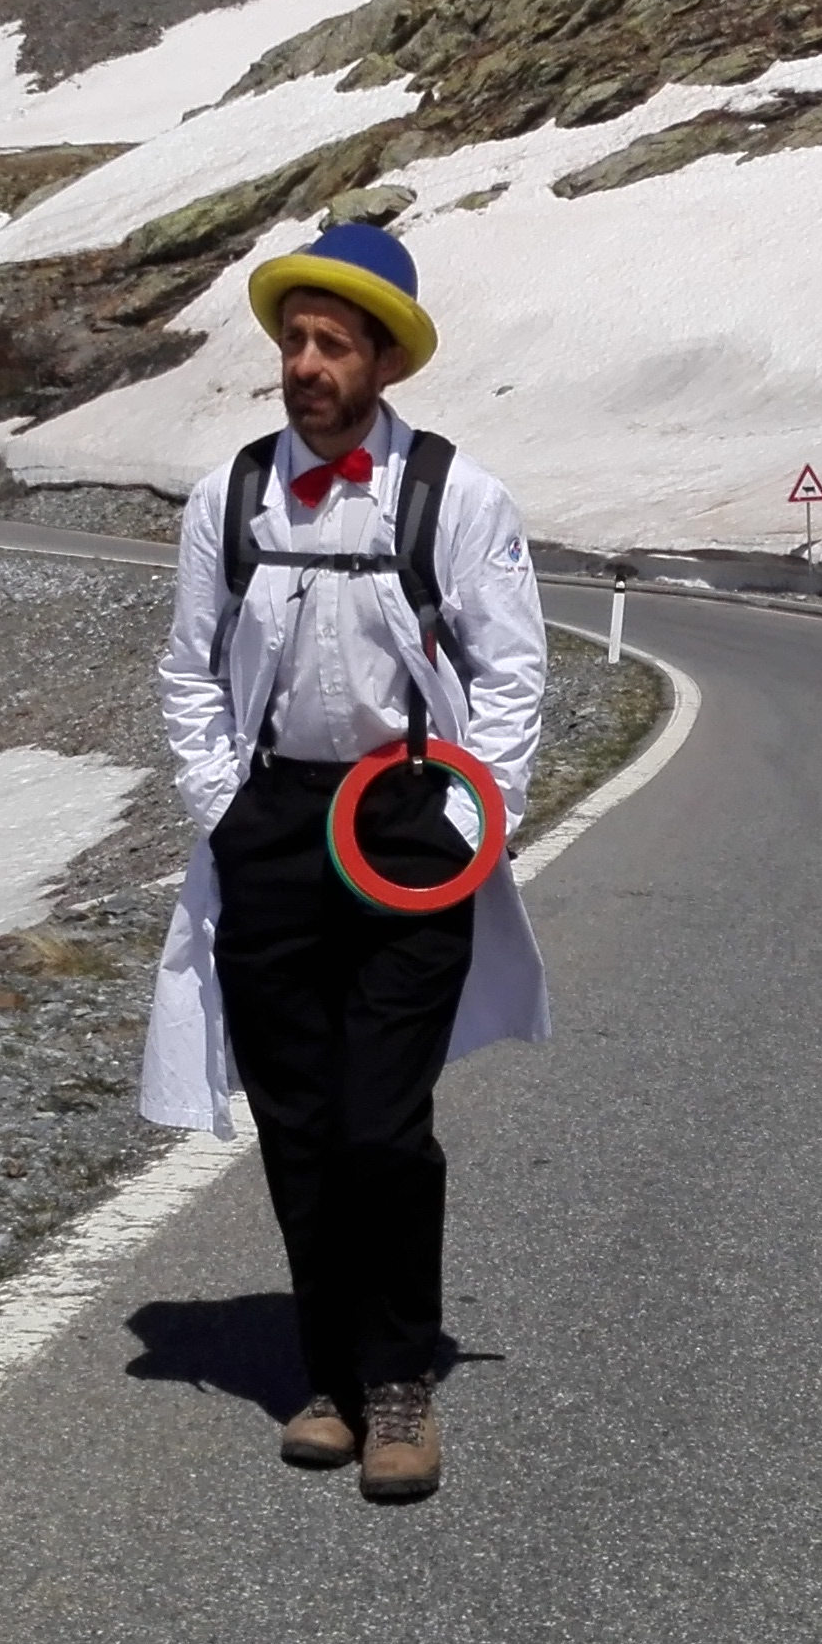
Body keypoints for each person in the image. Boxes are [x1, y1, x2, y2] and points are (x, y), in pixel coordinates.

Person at [140, 220, 550, 1503]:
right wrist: (223, 806)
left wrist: (470, 824)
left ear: (384, 358)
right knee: (299, 1118)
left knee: (384, 1123)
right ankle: (326, 1370)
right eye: (292, 339)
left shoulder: (455, 496)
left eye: (332, 342)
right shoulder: (230, 495)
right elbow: (187, 672)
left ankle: (397, 1376)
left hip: (405, 833)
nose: (304, 363)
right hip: (269, 827)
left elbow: (513, 675)